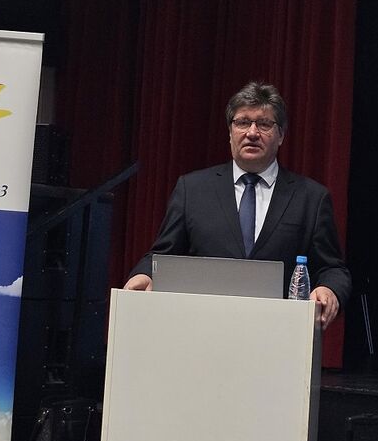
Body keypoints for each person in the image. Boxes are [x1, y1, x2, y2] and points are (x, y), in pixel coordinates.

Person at [124, 81, 351, 329]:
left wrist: (329, 289)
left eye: (264, 124)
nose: (252, 133)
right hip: (202, 329)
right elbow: (162, 255)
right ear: (230, 132)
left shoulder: (311, 197)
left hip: (279, 333)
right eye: (242, 122)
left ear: (281, 135)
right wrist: (145, 274)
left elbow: (332, 268)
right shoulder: (193, 189)